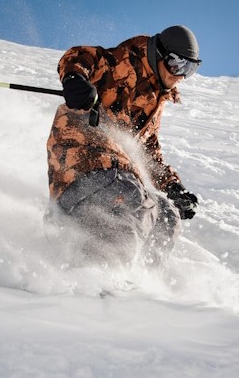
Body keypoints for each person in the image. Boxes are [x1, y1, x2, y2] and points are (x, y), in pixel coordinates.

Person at [46, 25, 201, 268]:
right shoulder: (124, 62)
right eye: (176, 64)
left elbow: (147, 149)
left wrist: (173, 188)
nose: (179, 75)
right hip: (80, 160)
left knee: (167, 216)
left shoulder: (155, 99)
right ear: (160, 54)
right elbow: (80, 56)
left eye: (189, 69)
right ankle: (101, 279)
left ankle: (144, 283)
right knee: (132, 197)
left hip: (116, 173)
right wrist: (75, 79)